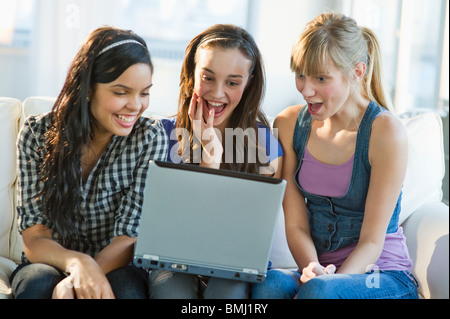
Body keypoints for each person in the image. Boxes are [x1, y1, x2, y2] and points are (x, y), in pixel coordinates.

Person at [252, 12, 418, 299]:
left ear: (357, 72)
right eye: (300, 74)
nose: (306, 89)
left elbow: (371, 241)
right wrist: (312, 267)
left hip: (381, 276)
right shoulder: (289, 124)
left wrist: (326, 282)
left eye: (320, 77)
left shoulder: (386, 132)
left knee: (319, 293)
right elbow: (295, 224)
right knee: (270, 285)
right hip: (321, 273)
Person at [10, 26, 168, 299]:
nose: (136, 105)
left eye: (144, 93)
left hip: (116, 264)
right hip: (51, 260)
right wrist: (78, 264)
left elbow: (128, 237)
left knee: (126, 290)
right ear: (86, 89)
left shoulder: (149, 137)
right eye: (121, 92)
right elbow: (35, 236)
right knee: (38, 283)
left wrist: (82, 278)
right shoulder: (36, 133)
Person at [149, 24, 283, 299]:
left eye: (232, 83)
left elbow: (250, 234)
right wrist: (208, 159)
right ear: (191, 75)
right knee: (172, 291)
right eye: (208, 78)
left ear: (248, 83)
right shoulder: (159, 135)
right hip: (172, 261)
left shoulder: (264, 145)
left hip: (236, 265)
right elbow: (176, 229)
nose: (217, 93)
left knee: (227, 293)